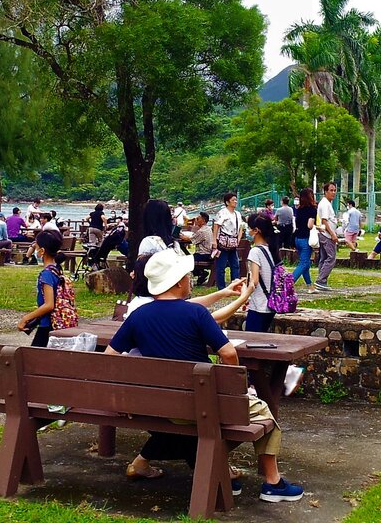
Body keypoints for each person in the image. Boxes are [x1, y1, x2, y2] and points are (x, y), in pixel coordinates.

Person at [103, 248, 304, 501]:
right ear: (177, 282)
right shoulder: (195, 313)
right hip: (200, 405)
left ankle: (217, 470)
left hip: (159, 406)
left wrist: (125, 395)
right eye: (188, 276)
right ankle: (273, 483)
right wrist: (236, 388)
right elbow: (229, 353)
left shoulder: (137, 316)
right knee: (264, 413)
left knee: (192, 429)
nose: (191, 280)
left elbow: (108, 358)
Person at [17, 230, 73, 348]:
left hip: (48, 325)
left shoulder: (46, 274)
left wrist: (26, 318)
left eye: (36, 247)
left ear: (42, 251)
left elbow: (49, 305)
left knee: (33, 361)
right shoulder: (57, 269)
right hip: (58, 322)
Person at [245, 213, 279, 332]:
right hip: (271, 304)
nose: (247, 231)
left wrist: (243, 297)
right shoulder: (271, 248)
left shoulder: (255, 251)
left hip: (258, 305)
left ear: (256, 230)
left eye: (249, 228)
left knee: (252, 341)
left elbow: (254, 281)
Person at [212, 192, 244, 289]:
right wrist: (214, 240)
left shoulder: (237, 214)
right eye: (233, 200)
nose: (235, 201)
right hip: (223, 242)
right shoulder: (222, 212)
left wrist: (239, 238)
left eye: (235, 199)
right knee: (221, 267)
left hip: (233, 241)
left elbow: (241, 226)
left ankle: (235, 285)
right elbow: (216, 225)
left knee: (235, 265)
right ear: (227, 202)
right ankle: (221, 287)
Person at [313, 182, 338, 291]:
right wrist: (332, 234)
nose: (333, 193)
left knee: (324, 257)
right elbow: (324, 220)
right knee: (331, 257)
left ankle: (321, 280)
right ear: (325, 192)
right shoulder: (325, 204)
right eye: (331, 190)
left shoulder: (327, 203)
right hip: (326, 234)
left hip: (324, 233)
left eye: (334, 190)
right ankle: (321, 280)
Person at [291, 188, 318, 291]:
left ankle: (310, 285)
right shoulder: (312, 210)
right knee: (304, 263)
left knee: (305, 263)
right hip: (306, 239)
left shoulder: (299, 209)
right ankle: (289, 282)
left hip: (297, 238)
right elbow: (310, 225)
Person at [189, 212, 214, 286]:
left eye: (197, 219)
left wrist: (181, 236)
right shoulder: (208, 229)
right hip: (208, 253)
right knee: (190, 257)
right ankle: (201, 274)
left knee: (186, 260)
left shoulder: (202, 231)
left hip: (203, 254)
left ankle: (200, 273)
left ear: (203, 220)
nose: (196, 220)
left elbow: (191, 240)